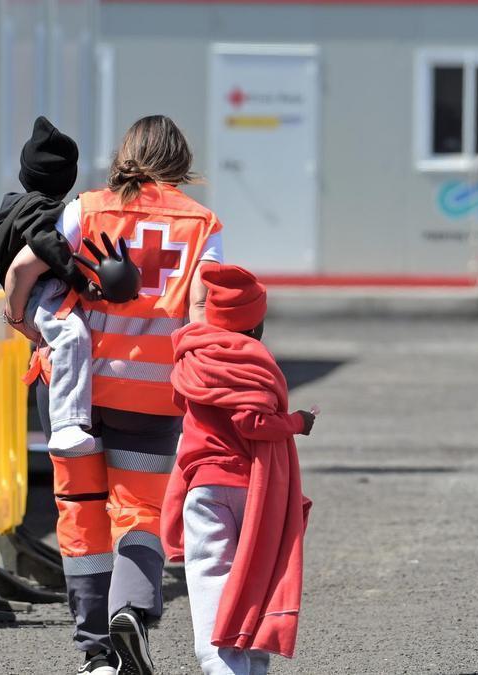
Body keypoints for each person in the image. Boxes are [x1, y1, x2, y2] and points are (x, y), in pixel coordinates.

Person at [6, 115, 225, 675]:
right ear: (181, 161)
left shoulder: (88, 208)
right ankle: (131, 610)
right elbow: (202, 311)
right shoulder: (203, 224)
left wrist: (22, 321)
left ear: (126, 153)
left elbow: (24, 266)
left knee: (80, 510)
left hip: (71, 390)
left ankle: (96, 651)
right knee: (140, 510)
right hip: (152, 398)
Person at [161, 265, 316, 675]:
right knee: (260, 574)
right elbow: (253, 423)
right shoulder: (255, 362)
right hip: (254, 488)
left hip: (205, 488)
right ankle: (254, 665)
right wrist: (298, 421)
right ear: (256, 324)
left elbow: (199, 307)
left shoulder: (192, 355)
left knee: (210, 573)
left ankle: (220, 665)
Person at [0, 116, 100, 455]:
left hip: (29, 297)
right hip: (39, 292)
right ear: (67, 180)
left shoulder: (15, 206)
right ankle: (67, 424)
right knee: (71, 334)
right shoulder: (43, 212)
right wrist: (78, 280)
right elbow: (44, 249)